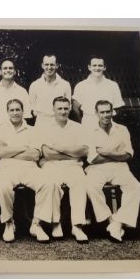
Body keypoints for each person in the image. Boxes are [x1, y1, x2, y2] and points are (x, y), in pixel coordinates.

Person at [0, 99, 54, 243]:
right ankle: (9, 223)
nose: (15, 113)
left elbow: (34, 155)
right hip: (7, 168)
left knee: (49, 183)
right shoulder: (0, 129)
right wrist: (23, 147)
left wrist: (9, 150)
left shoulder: (33, 130)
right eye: (12, 110)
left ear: (23, 111)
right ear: (7, 112)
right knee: (3, 187)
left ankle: (36, 224)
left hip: (29, 167)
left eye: (18, 109)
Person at [85, 100, 140, 242]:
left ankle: (118, 221)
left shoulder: (122, 129)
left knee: (136, 187)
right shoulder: (90, 131)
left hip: (120, 168)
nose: (106, 115)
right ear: (96, 113)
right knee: (90, 187)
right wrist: (116, 154)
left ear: (112, 112)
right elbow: (93, 158)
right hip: (97, 169)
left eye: (108, 111)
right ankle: (111, 221)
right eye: (102, 112)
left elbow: (128, 155)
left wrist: (105, 151)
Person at [39, 97, 89, 243]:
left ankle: (77, 226)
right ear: (53, 110)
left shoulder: (78, 128)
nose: (63, 111)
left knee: (80, 182)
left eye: (66, 108)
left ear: (69, 109)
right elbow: (47, 154)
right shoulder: (45, 128)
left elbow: (84, 151)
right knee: (52, 183)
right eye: (59, 108)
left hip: (73, 166)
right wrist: (72, 151)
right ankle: (56, 223)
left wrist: (59, 148)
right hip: (51, 165)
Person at [72, 56, 125, 128]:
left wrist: (108, 119)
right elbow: (75, 108)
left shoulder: (113, 85)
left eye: (100, 65)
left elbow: (118, 107)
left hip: (107, 125)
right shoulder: (81, 86)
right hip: (88, 124)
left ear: (104, 67)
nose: (97, 68)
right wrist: (82, 122)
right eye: (94, 65)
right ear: (89, 67)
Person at [0, 60, 32, 126]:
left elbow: (27, 116)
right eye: (5, 68)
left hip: (17, 132)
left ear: (15, 72)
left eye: (10, 68)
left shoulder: (22, 92)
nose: (8, 70)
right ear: (0, 72)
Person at [29, 54, 72, 127]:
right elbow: (32, 108)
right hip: (41, 124)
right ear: (42, 65)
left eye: (52, 64)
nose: (49, 67)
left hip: (59, 124)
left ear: (57, 65)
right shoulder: (35, 85)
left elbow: (68, 107)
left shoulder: (65, 85)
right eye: (46, 64)